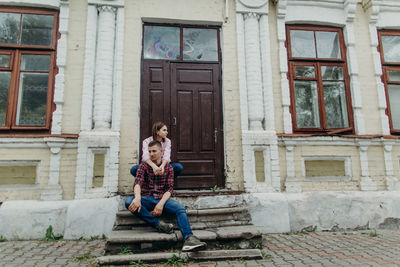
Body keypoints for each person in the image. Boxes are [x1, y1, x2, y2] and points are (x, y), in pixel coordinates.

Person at [125, 140, 206, 252]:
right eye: (149, 151)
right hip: (146, 198)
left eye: (154, 151)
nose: (151, 154)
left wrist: (160, 204)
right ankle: (159, 225)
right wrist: (137, 198)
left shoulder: (168, 168)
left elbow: (169, 189)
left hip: (162, 198)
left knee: (180, 209)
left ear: (161, 151)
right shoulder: (144, 165)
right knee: (129, 202)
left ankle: (189, 238)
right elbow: (137, 183)